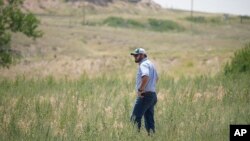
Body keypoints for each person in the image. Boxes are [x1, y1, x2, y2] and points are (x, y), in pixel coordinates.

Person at [130, 48, 158, 135]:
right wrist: (150, 86)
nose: (135, 56)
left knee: (134, 119)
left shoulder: (143, 64)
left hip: (144, 95)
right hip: (152, 95)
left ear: (143, 55)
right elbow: (157, 78)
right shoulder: (151, 64)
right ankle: (152, 137)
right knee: (149, 120)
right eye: (134, 55)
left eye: (136, 55)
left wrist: (141, 89)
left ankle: (135, 138)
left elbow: (145, 76)